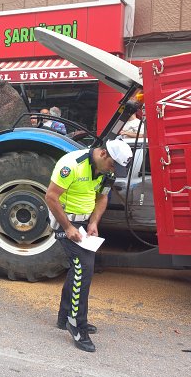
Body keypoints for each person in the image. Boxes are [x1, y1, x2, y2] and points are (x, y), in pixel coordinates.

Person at [45, 138, 133, 353]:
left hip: (84, 222)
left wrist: (93, 222)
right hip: (64, 220)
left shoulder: (106, 171)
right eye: (113, 165)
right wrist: (67, 227)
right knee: (84, 268)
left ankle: (64, 316)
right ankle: (76, 326)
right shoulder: (71, 164)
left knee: (79, 268)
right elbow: (51, 197)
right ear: (103, 153)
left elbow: (102, 198)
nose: (113, 171)